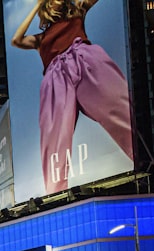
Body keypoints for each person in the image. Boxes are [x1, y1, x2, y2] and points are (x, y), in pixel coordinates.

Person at [11, 0, 133, 194]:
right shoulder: (41, 39)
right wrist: (36, 6)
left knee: (119, 107)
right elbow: (16, 40)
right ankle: (55, 194)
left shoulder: (78, 11)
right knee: (54, 141)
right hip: (55, 77)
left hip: (85, 59)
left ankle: (142, 159)